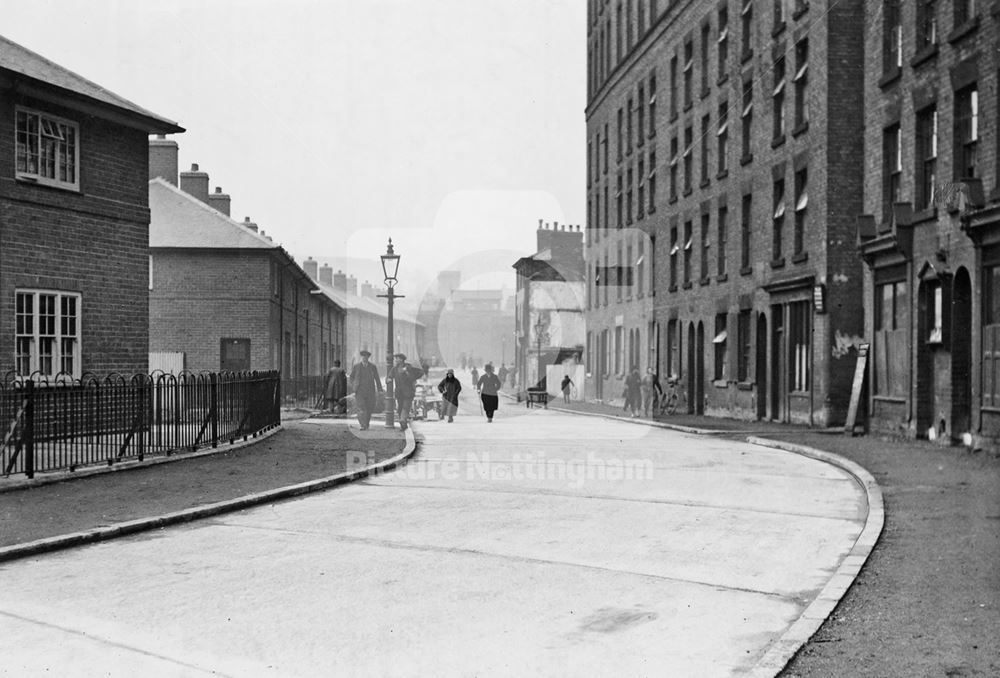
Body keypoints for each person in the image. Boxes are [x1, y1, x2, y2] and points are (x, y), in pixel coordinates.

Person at [349, 350, 383, 430]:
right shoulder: (356, 366)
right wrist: (354, 385)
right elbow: (351, 377)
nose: (364, 358)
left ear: (368, 357)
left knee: (369, 408)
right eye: (363, 356)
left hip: (370, 391)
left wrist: (380, 389)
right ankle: (362, 425)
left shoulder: (372, 367)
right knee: (361, 407)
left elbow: (377, 378)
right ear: (361, 357)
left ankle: (366, 423)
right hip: (359, 391)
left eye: (366, 356)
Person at [387, 353, 421, 431]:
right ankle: (403, 425)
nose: (395, 360)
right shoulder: (394, 369)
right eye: (395, 359)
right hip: (399, 393)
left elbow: (413, 377)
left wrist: (406, 372)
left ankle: (402, 420)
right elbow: (389, 376)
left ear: (402, 360)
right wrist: (389, 379)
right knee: (400, 409)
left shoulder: (408, 367)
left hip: (408, 392)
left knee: (405, 408)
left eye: (397, 358)